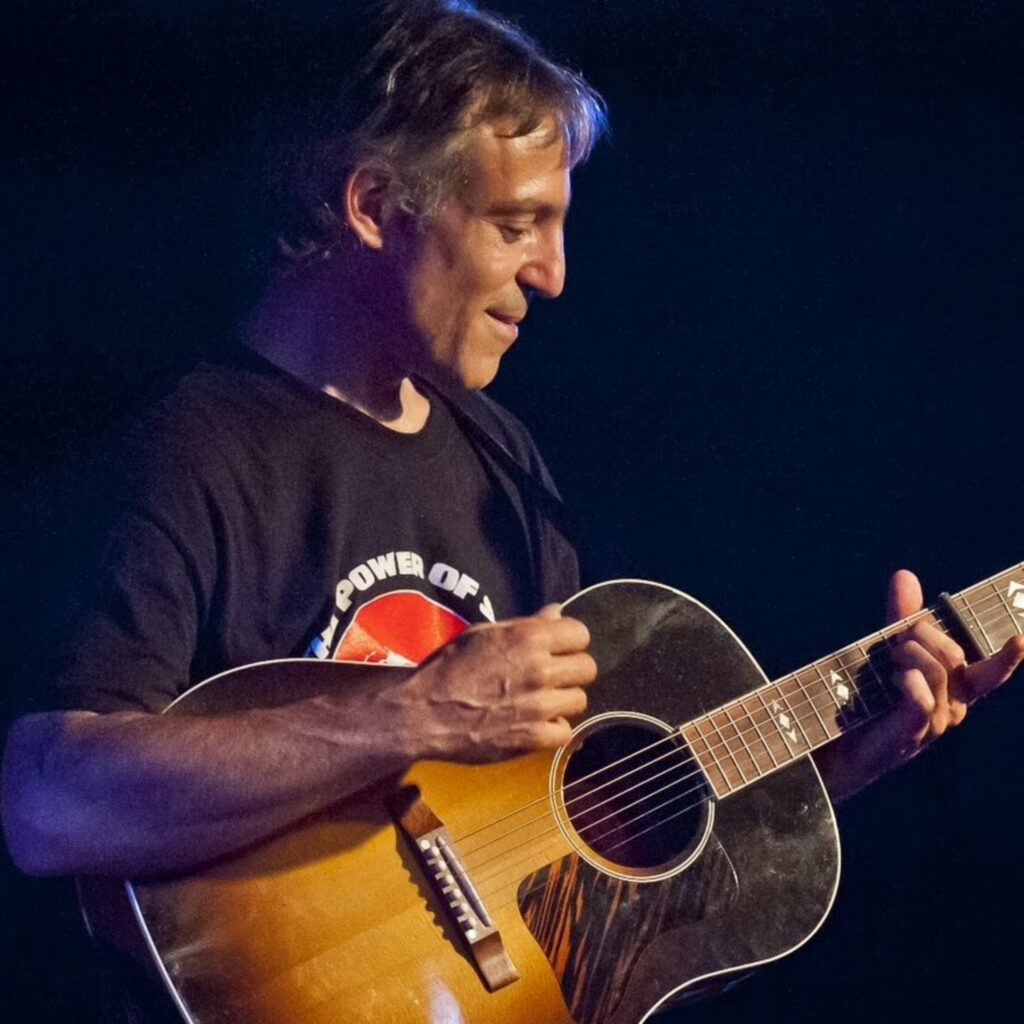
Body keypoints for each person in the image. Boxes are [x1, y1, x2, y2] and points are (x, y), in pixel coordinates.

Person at [2, 0, 1022, 1020]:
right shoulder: (189, 450)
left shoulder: (501, 461)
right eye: (513, 223)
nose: (553, 274)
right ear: (372, 206)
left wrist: (829, 765)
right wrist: (413, 714)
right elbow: (46, 804)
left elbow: (564, 851)